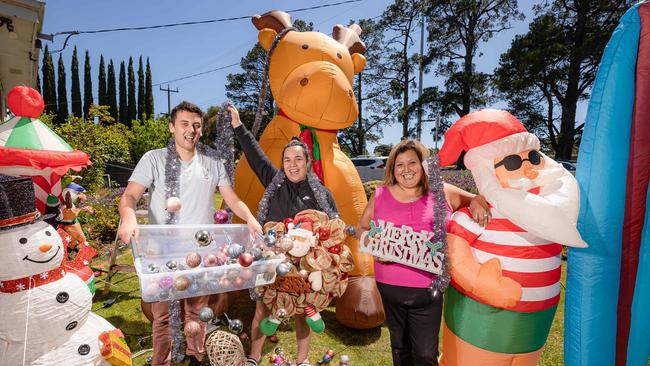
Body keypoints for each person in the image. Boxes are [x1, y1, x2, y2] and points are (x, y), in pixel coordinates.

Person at [437, 109, 586, 366]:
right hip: (481, 321)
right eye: (513, 163)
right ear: (485, 171)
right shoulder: (481, 213)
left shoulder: (549, 214)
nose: (528, 169)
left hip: (534, 325)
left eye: (534, 157)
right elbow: (454, 249)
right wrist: (479, 283)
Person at [118, 101, 262, 366]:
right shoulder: (154, 158)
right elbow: (129, 196)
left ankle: (196, 357)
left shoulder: (213, 161)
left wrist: (251, 218)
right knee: (162, 316)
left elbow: (231, 198)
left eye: (196, 125)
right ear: (172, 127)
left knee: (198, 312)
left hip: (200, 253)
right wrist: (128, 217)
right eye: (184, 124)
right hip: (163, 253)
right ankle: (161, 361)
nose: (191, 130)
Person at [357, 139, 489, 366]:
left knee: (425, 353)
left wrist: (477, 201)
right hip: (389, 286)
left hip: (427, 289)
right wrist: (375, 245)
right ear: (392, 168)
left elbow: (474, 198)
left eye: (412, 163)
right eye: (399, 164)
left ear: (423, 165)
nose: (406, 170)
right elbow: (362, 228)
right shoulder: (380, 195)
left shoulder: (441, 192)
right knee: (400, 349)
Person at [228, 106, 337, 366]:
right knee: (262, 309)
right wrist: (238, 126)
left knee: (301, 312)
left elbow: (332, 228)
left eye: (298, 159)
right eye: (287, 160)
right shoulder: (274, 182)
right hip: (271, 258)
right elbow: (254, 156)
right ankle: (254, 356)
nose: (292, 165)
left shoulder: (321, 192)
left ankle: (302, 360)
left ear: (307, 162)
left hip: (302, 265)